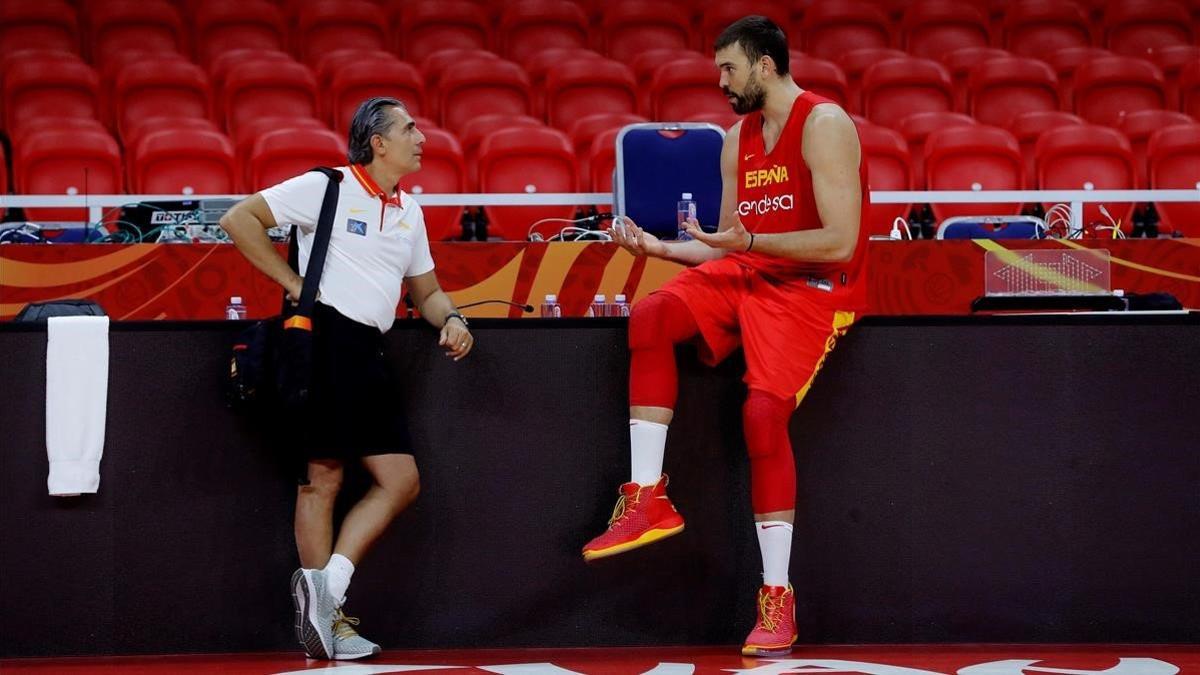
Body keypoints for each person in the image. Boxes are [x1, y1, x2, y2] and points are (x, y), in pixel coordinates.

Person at [581, 16, 869, 657]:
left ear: (766, 65)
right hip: (748, 275)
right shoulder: (737, 139)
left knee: (762, 416)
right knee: (652, 313)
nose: (721, 82)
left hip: (815, 290)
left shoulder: (824, 124)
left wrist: (750, 245)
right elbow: (725, 249)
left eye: (729, 68)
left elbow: (842, 241)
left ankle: (777, 600)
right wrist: (658, 246)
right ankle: (647, 496)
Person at [220, 97, 474, 661]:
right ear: (378, 142)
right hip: (324, 339)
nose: (422, 138)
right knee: (322, 479)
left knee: (400, 480)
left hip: (370, 350)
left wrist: (453, 319)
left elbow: (426, 293)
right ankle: (325, 620)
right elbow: (239, 218)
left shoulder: (411, 210)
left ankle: (323, 592)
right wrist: (294, 284)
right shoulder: (328, 185)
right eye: (410, 129)